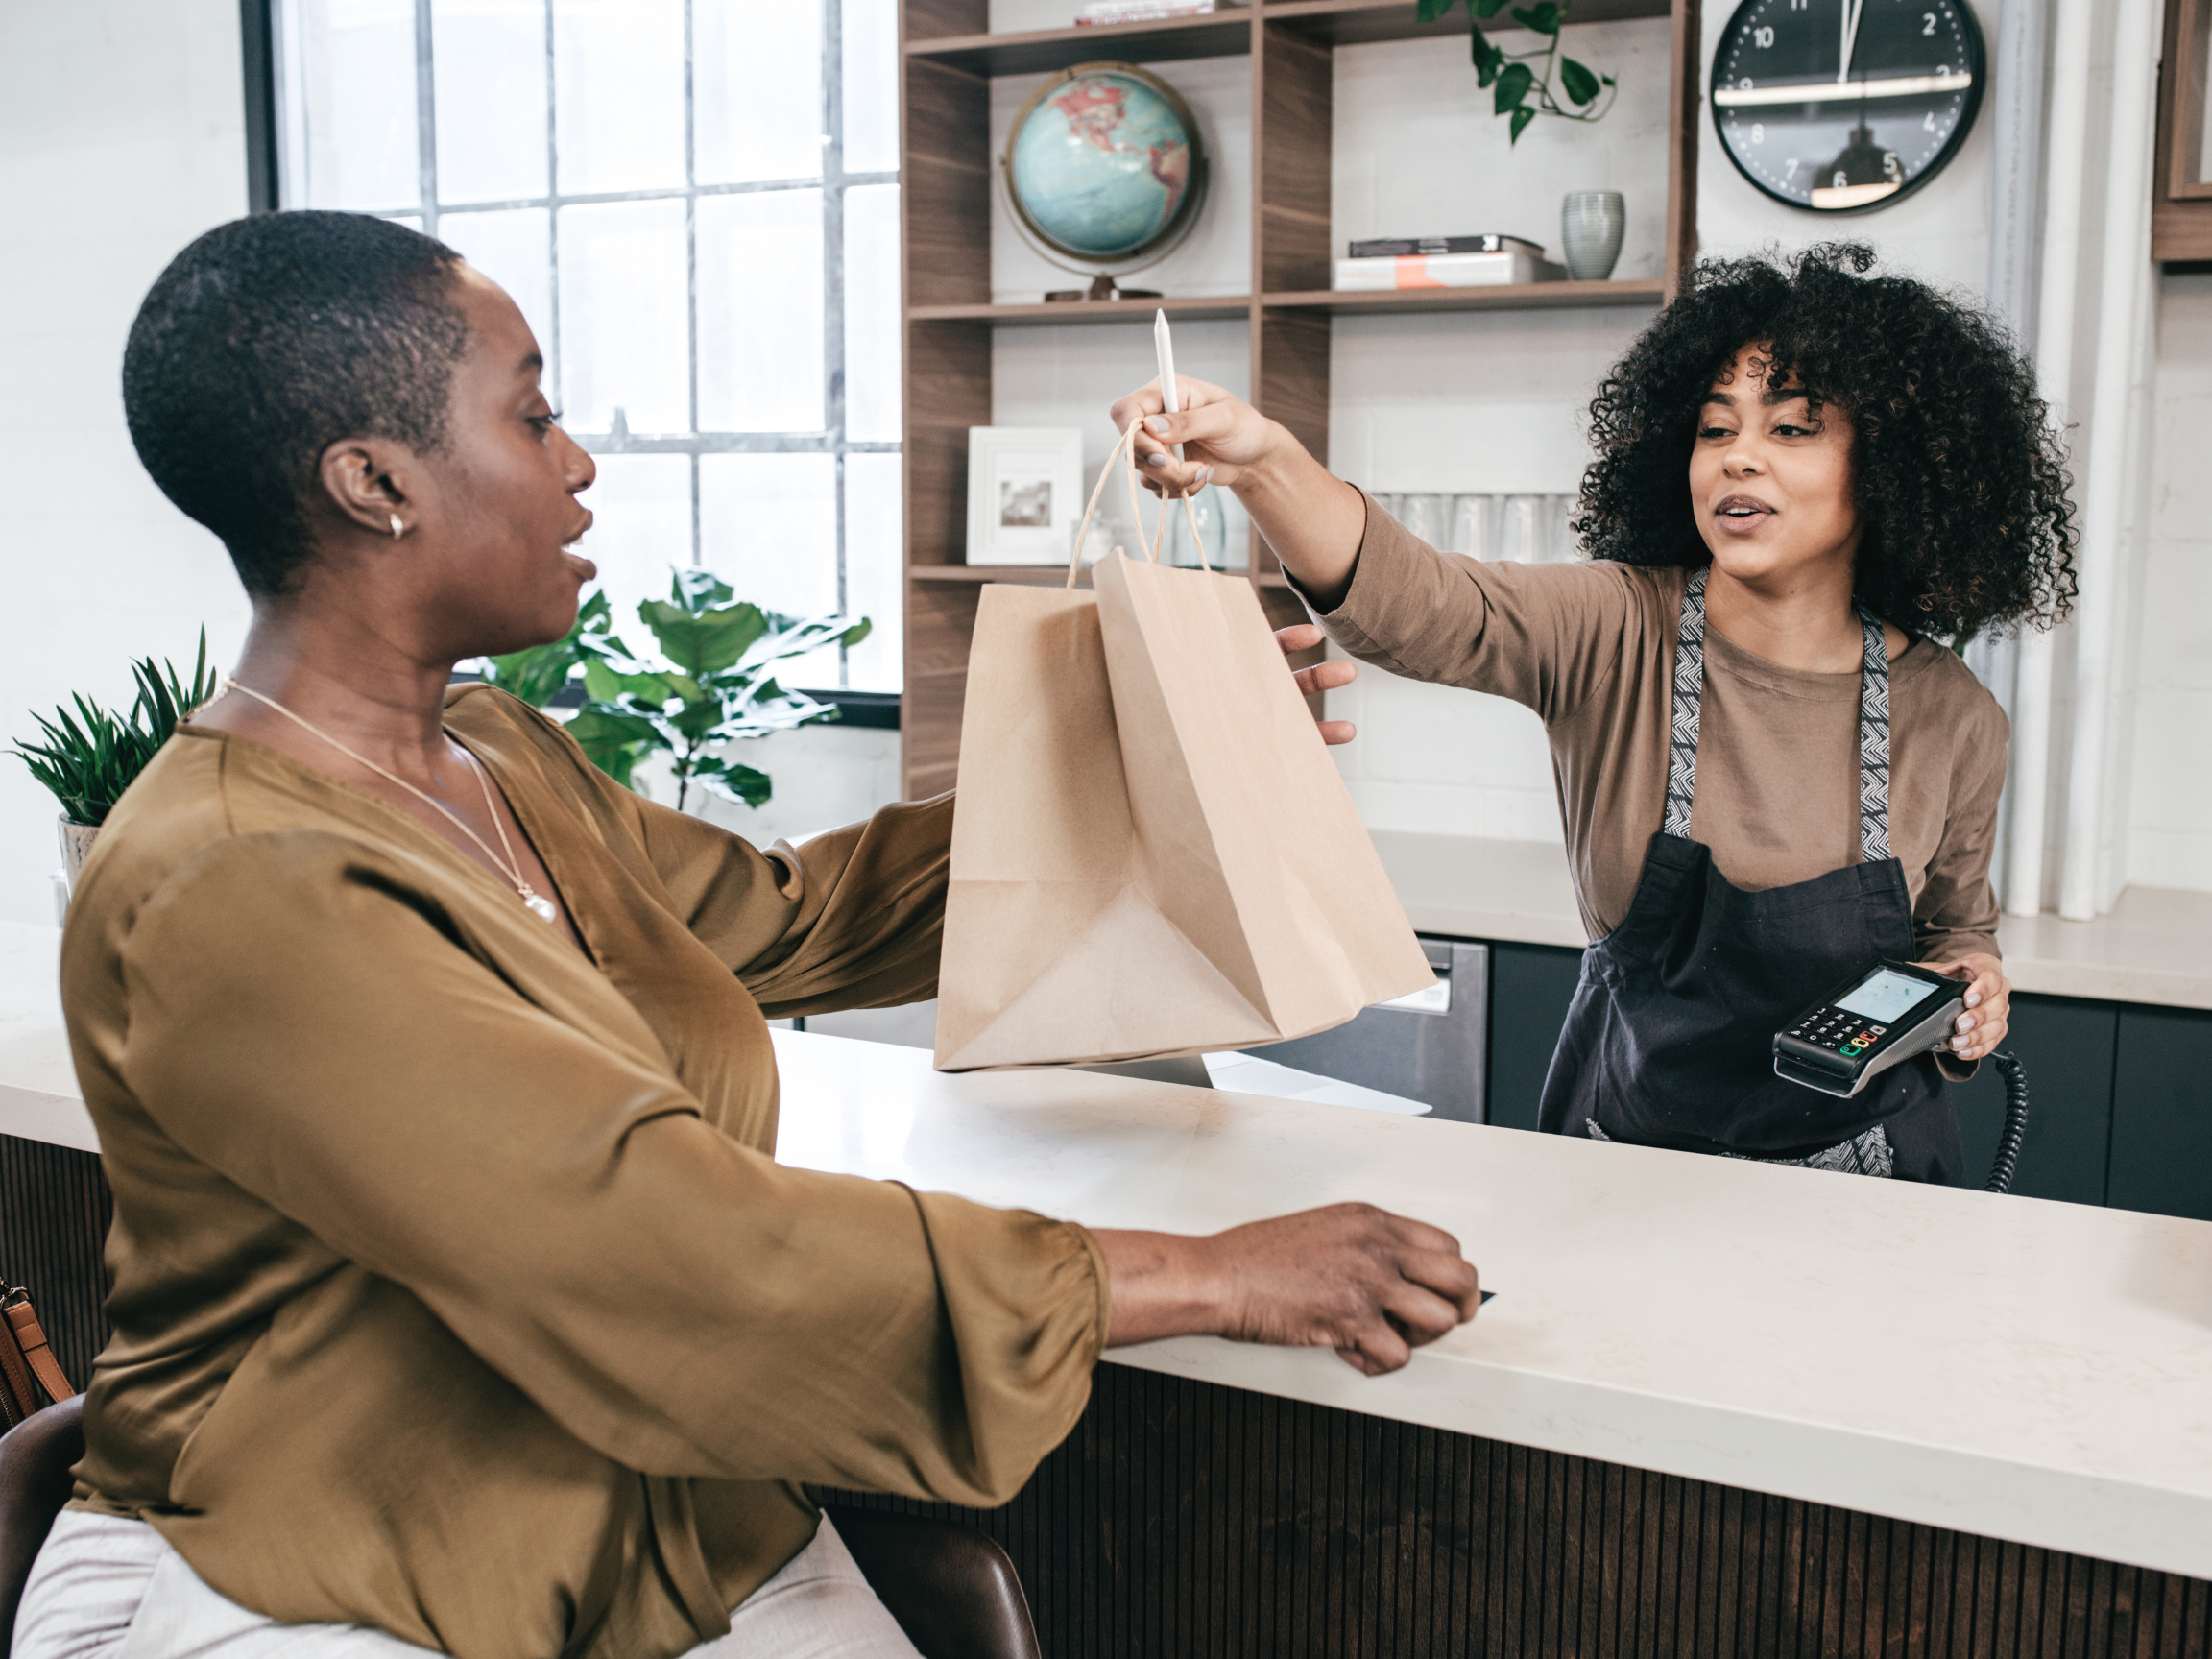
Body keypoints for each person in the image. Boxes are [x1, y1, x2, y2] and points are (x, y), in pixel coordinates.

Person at [16, 211, 1482, 1659]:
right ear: (374, 481)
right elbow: (655, 1249)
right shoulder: (233, 880)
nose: (581, 465)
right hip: (327, 1572)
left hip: (659, 1522)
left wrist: (1158, 739)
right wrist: (1207, 1273)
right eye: (534, 419)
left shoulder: (495, 754)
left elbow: (794, 919)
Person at [1113, 244, 2076, 1184]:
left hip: (1870, 1186)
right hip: (1624, 1170)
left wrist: (1972, 992)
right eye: (1714, 428)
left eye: (1791, 429)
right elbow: (1423, 605)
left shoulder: (1953, 713)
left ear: (1890, 467)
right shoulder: (1617, 628)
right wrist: (1265, 464)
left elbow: (1956, 929)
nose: (1738, 458)